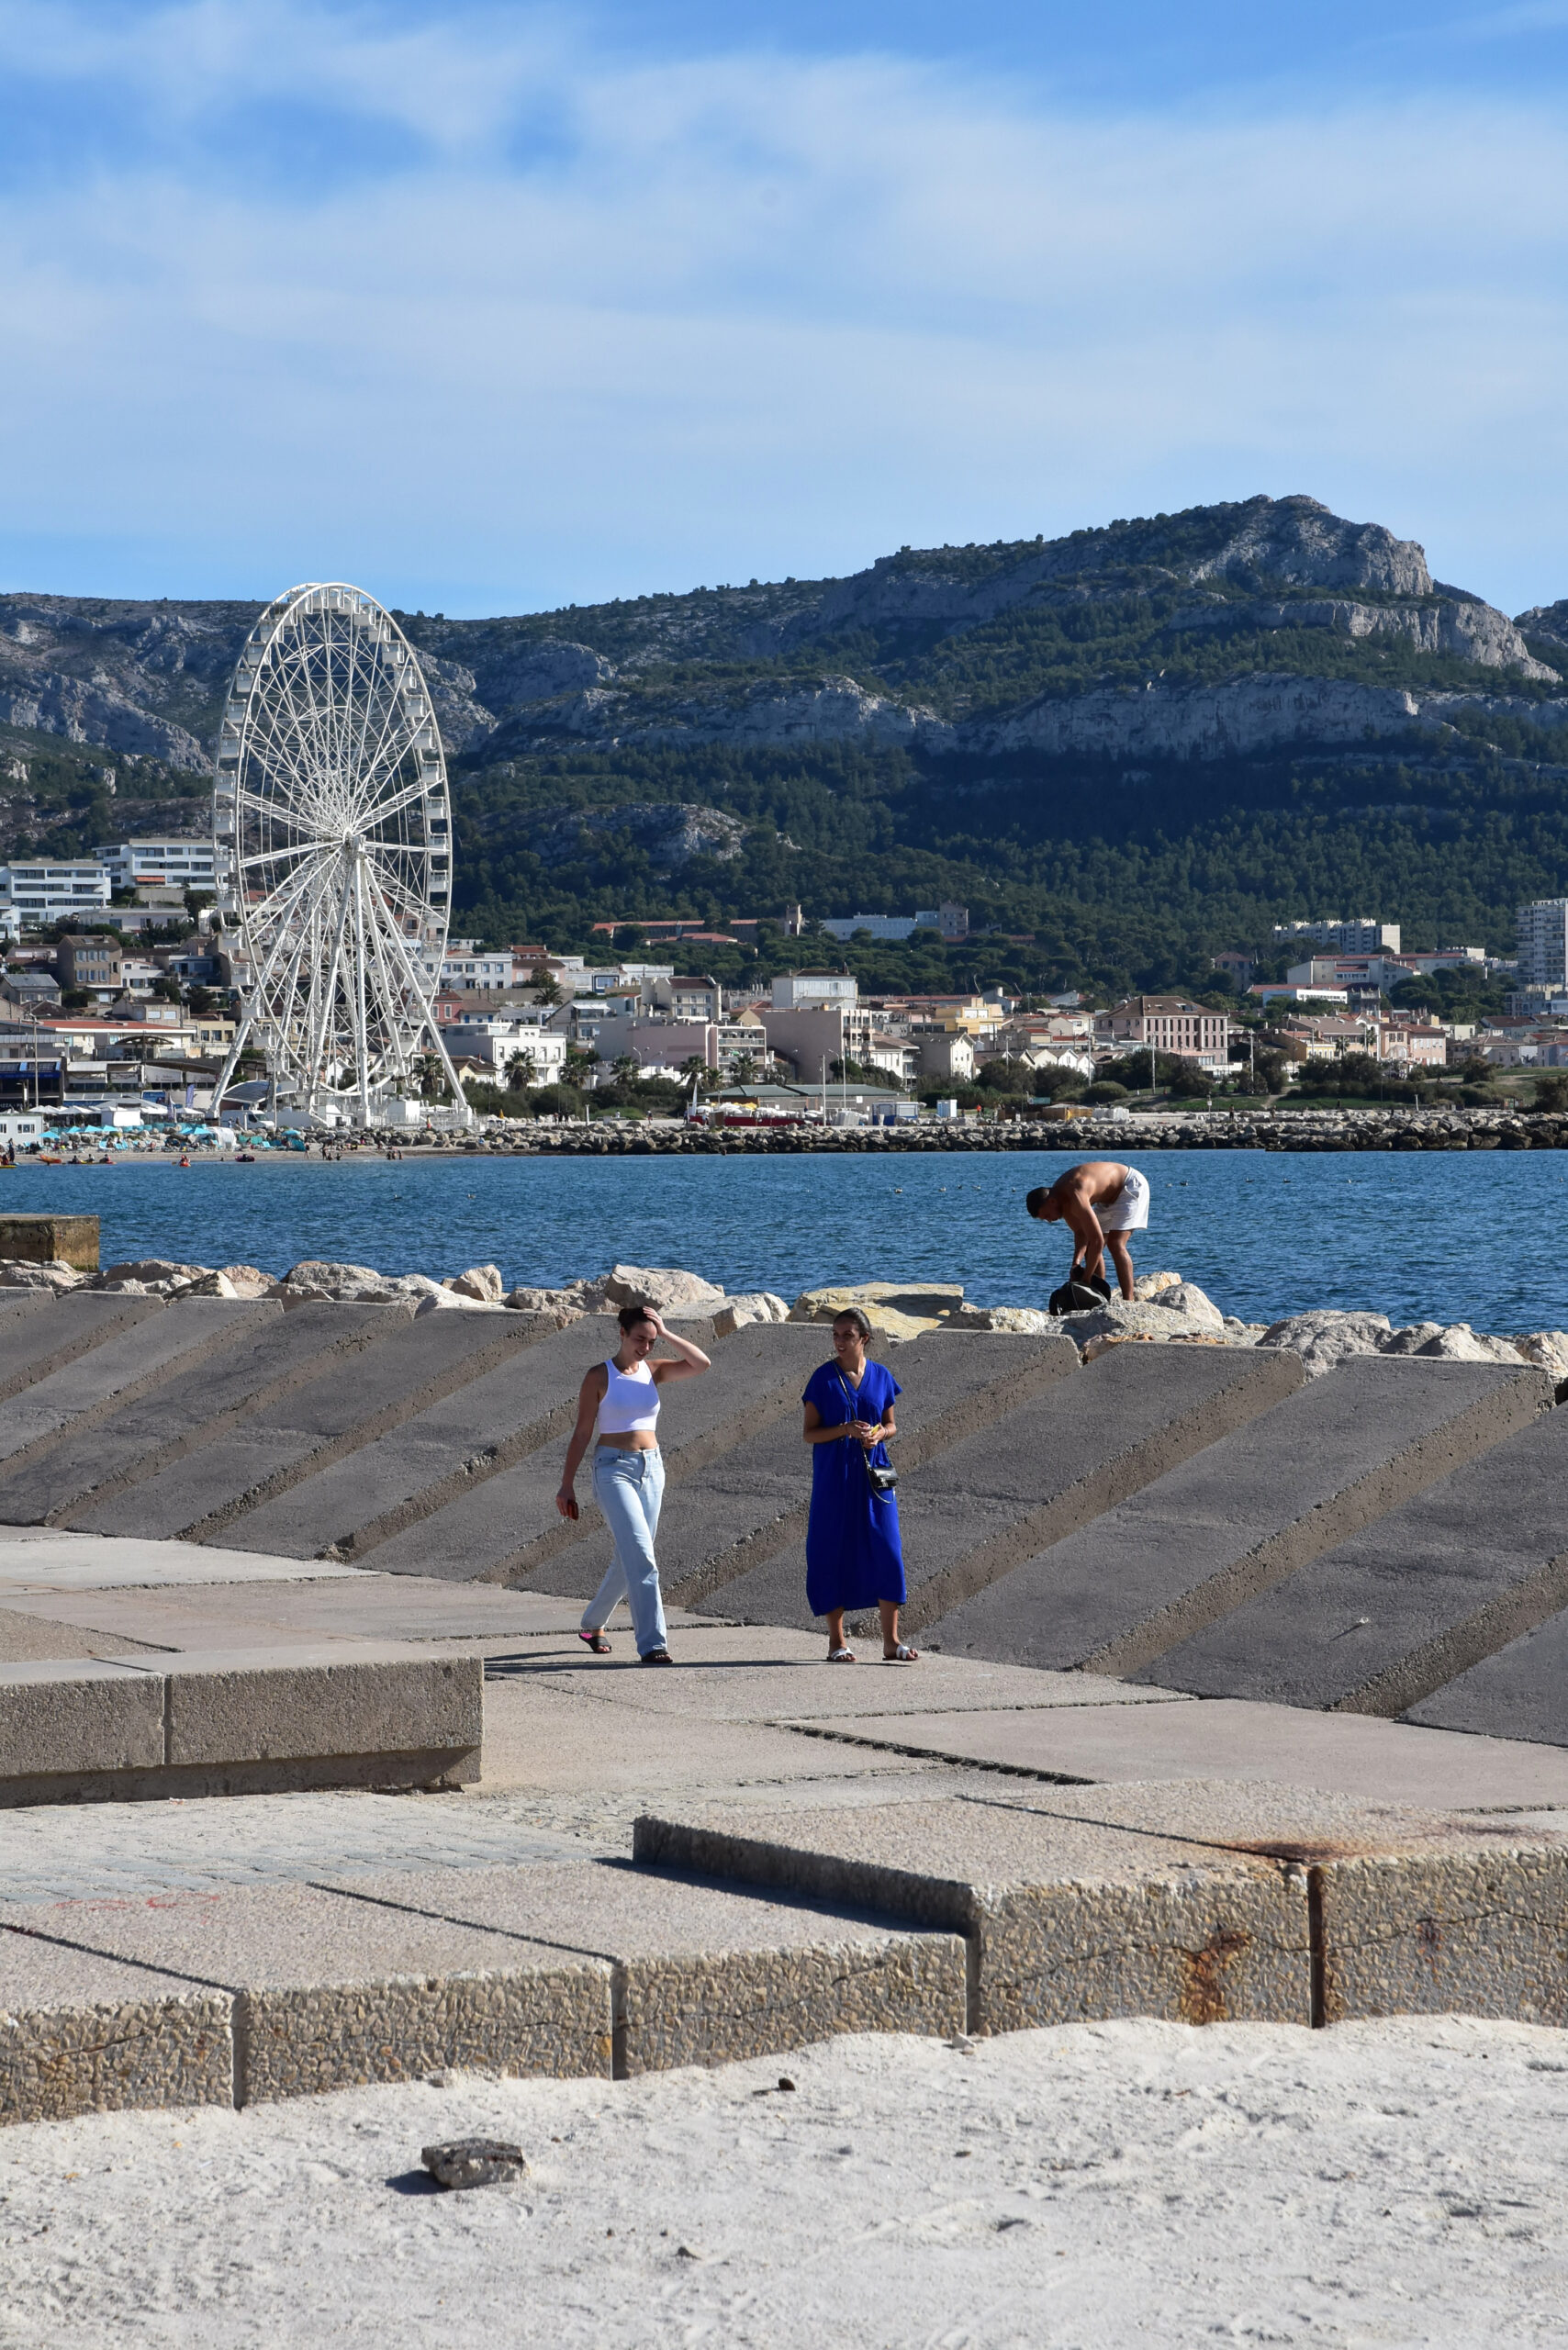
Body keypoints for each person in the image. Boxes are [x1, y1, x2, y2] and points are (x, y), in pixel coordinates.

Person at [555, 1301, 711, 1664]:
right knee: (642, 1557)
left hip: (652, 1469)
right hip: (612, 1470)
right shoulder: (599, 1376)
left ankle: (592, 1624)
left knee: (631, 1558)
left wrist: (667, 1330)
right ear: (622, 1334)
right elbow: (581, 1433)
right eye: (639, 1339)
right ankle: (653, 1644)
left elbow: (701, 1364)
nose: (645, 1347)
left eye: (651, 1341)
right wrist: (566, 1485)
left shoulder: (653, 1371)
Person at [801, 1307, 917, 1664]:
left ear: (864, 1338)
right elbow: (809, 1433)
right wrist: (845, 1430)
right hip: (835, 1478)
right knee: (830, 1550)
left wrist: (880, 1433)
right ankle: (837, 1640)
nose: (839, 1341)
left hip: (875, 1477)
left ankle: (890, 1641)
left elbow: (891, 1424)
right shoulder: (822, 1379)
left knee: (887, 1550)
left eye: (847, 1335)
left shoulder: (881, 1376)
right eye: (835, 1334)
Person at [1025, 1160, 1149, 1301]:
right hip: (1107, 1199)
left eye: (1047, 1215)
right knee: (1091, 1247)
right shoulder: (1061, 1201)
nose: (1049, 1220)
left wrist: (1086, 1277)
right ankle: (1098, 1296)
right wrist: (1076, 1264)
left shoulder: (1075, 1195)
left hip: (1129, 1186)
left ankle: (1129, 1301)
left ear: (1051, 1202)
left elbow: (1097, 1240)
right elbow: (1081, 1233)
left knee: (1115, 1244)